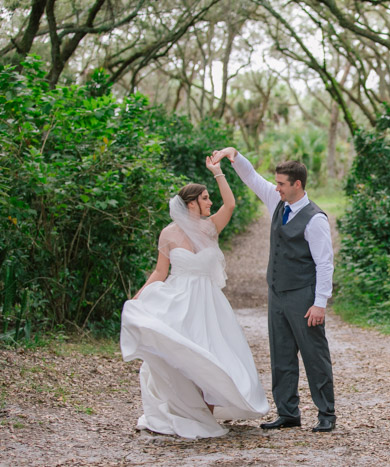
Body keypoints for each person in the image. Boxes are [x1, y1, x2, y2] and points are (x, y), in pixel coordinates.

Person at [120, 156, 269, 439]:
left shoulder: (210, 227)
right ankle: (187, 409)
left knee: (214, 355)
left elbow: (231, 204)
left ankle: (208, 411)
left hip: (208, 303)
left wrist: (217, 173)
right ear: (191, 203)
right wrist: (137, 298)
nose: (209, 202)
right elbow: (159, 271)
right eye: (204, 198)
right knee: (183, 354)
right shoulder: (168, 234)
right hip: (178, 299)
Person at [212, 147, 336, 433]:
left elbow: (324, 264)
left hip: (304, 295)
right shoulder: (276, 201)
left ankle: (326, 413)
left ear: (297, 185)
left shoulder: (315, 219)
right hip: (277, 292)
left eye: (281, 183)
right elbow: (252, 178)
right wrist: (234, 156)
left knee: (314, 354)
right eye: (276, 183)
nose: (276, 187)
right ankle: (288, 412)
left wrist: (320, 303)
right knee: (281, 353)